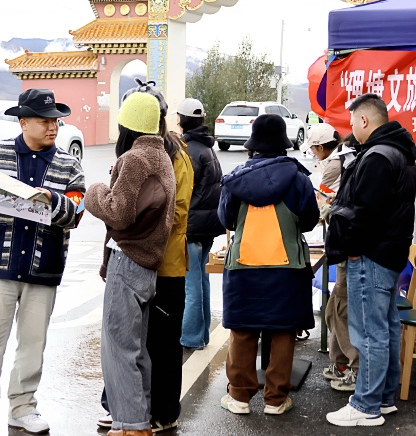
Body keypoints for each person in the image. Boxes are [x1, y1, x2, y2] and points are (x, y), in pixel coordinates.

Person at [0, 89, 86, 436]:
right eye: (45, 120)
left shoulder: (69, 165)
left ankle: (23, 407)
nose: (53, 127)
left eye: (56, 120)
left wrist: (51, 199)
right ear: (23, 121)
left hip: (44, 268)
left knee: (33, 344)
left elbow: (76, 214)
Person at [98, 81, 193, 432]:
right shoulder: (160, 154)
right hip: (155, 260)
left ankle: (152, 415)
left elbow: (175, 211)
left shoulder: (165, 156)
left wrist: (106, 199)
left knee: (150, 345)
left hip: (159, 263)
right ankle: (135, 412)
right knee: (140, 344)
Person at [218, 114, 319, 416]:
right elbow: (310, 221)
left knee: (243, 331)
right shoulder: (299, 179)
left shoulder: (236, 178)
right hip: (286, 268)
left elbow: (225, 219)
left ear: (253, 147)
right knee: (283, 332)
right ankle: (276, 399)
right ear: (283, 145)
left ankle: (239, 397)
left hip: (243, 265)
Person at [326, 93, 416, 427]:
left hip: (372, 254)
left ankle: (366, 404)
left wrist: (351, 248)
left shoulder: (377, 156)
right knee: (387, 327)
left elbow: (365, 213)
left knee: (369, 332)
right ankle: (384, 396)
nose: (352, 129)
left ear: (364, 121)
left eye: (353, 122)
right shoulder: (401, 151)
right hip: (391, 252)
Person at [301, 123, 359, 392]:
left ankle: (354, 367)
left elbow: (321, 198)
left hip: (349, 247)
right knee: (332, 310)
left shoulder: (338, 164)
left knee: (340, 310)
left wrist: (325, 207)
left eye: (314, 148)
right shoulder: (345, 161)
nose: (313, 153)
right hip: (342, 245)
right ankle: (340, 363)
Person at [176, 98, 225, 351]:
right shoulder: (207, 148)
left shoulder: (188, 150)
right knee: (202, 281)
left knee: (191, 284)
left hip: (191, 225)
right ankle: (202, 334)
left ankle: (191, 337)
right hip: (209, 225)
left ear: (181, 120)